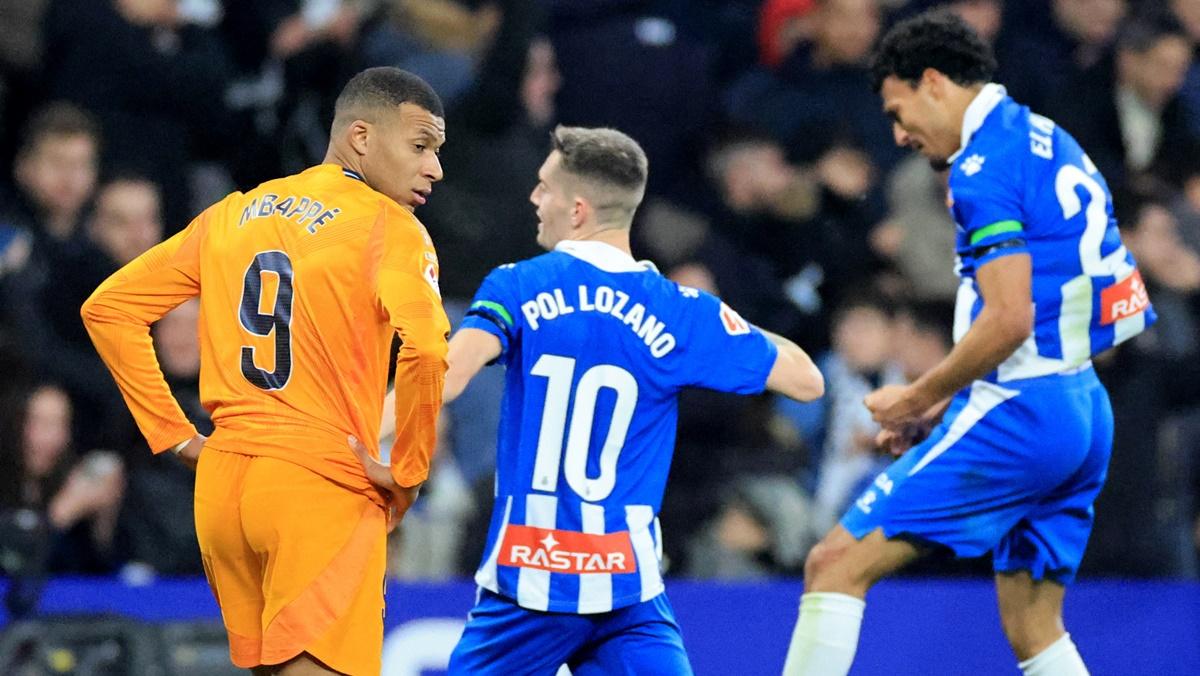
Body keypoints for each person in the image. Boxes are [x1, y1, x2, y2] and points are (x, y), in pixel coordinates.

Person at [783, 11, 1156, 676]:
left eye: (900, 112)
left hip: (1021, 406)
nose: (900, 135)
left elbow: (1009, 317)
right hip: (1081, 402)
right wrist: (946, 401)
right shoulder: (1045, 135)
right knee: (1034, 627)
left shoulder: (981, 167)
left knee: (833, 564)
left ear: (932, 82)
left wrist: (922, 394)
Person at [391, 125, 823, 673]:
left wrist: (352, 438)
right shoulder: (678, 309)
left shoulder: (517, 285)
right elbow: (807, 380)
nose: (534, 198)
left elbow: (445, 379)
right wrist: (720, 321)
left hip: (529, 578)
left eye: (544, 187)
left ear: (577, 209)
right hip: (625, 586)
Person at [81, 67, 450, 675]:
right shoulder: (391, 229)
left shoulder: (233, 212)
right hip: (317, 485)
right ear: (361, 136)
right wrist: (407, 469)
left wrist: (175, 435)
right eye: (420, 146)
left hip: (224, 487)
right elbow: (429, 350)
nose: (434, 168)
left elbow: (109, 309)